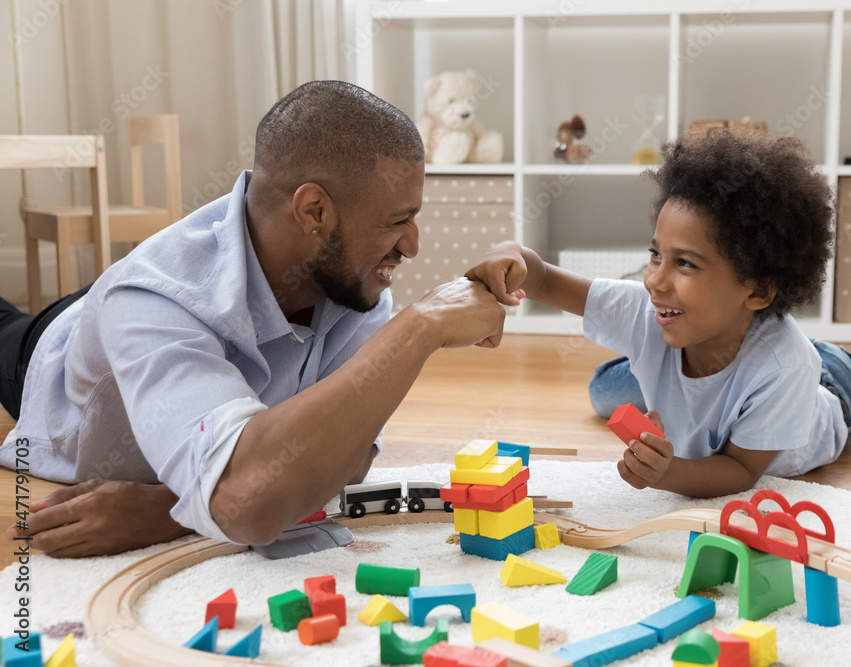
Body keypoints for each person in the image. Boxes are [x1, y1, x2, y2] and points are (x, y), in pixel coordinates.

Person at [0, 81, 508, 557]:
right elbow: (250, 499)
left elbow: (346, 458)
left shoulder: (356, 284)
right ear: (313, 212)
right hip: (55, 348)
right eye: (399, 221)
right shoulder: (149, 302)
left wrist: (167, 512)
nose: (413, 246)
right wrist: (422, 327)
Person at [467, 130, 851, 498]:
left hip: (832, 386)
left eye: (685, 264)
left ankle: (845, 364)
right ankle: (666, 370)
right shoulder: (651, 307)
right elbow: (543, 281)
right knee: (602, 391)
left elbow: (739, 471)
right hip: (721, 332)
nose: (655, 282)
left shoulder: (785, 367)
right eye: (655, 255)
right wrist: (511, 255)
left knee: (798, 357)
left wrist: (668, 473)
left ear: (759, 288)